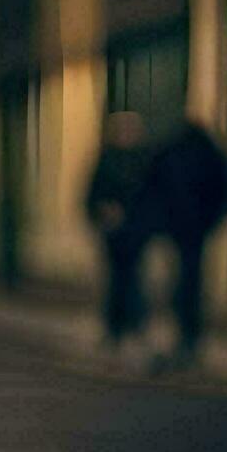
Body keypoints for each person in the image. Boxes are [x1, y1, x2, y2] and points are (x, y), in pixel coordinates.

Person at [147, 120, 226, 367]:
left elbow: (153, 187)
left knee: (177, 283)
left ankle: (180, 336)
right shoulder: (205, 153)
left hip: (179, 229)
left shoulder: (170, 153)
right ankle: (187, 336)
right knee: (188, 282)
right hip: (191, 230)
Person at [86, 111, 155, 348]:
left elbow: (151, 198)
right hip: (113, 233)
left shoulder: (144, 161)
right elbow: (92, 194)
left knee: (134, 280)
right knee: (116, 281)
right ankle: (114, 329)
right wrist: (102, 213)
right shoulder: (107, 160)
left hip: (135, 232)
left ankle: (135, 326)